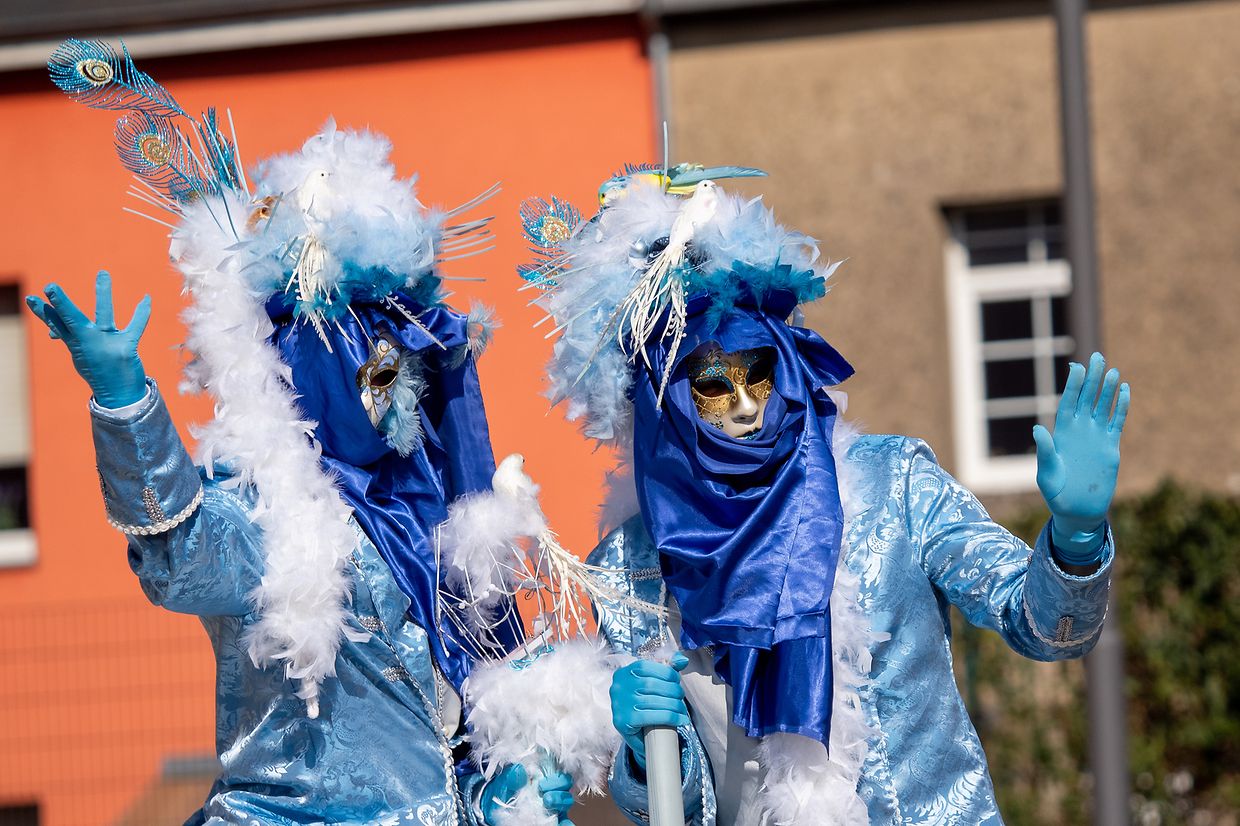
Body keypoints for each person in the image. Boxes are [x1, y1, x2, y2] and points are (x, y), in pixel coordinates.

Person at [29, 39, 574, 825]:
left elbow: (463, 714)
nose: (390, 397)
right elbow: (179, 553)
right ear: (307, 378)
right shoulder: (264, 517)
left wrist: (504, 792)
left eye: (400, 367)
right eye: (363, 372)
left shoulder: (445, 509)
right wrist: (125, 401)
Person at [518, 171, 1129, 825]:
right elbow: (687, 808)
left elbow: (1044, 629)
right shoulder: (630, 568)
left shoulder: (891, 484)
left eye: (759, 372)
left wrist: (1076, 536)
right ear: (664, 406)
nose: (747, 407)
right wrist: (641, 748)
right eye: (714, 387)